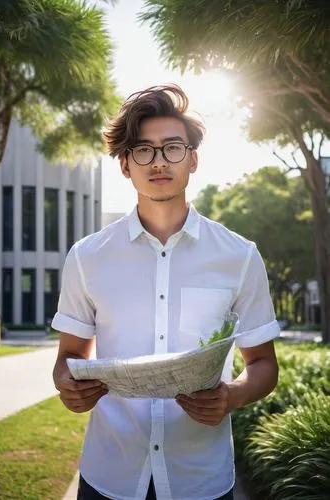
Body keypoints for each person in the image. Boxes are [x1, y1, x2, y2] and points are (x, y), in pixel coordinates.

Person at [52, 84, 279, 500]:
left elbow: (263, 364)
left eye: (172, 147)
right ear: (125, 164)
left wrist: (232, 395)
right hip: (110, 475)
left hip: (202, 479)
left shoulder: (240, 256)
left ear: (193, 159)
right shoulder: (87, 256)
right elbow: (68, 359)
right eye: (143, 150)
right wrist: (68, 385)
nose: (158, 161)